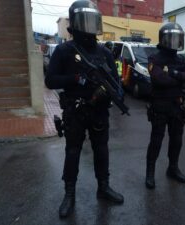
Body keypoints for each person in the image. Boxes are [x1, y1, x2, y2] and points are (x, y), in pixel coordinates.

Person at [45, 0, 124, 218]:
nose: (90, 26)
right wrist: (77, 79)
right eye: (85, 21)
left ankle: (104, 187)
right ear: (76, 23)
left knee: (101, 150)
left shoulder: (105, 52)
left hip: (99, 110)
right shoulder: (63, 50)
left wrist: (111, 92)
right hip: (75, 110)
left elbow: (116, 83)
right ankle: (69, 194)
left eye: (93, 20)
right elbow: (50, 80)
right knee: (72, 152)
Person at [145, 22, 185, 189]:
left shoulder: (181, 59)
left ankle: (173, 168)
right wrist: (180, 78)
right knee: (156, 140)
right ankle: (150, 173)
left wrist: (173, 73)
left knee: (177, 140)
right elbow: (159, 79)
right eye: (171, 38)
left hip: (177, 106)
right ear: (164, 39)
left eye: (177, 38)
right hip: (160, 106)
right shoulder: (155, 58)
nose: (174, 42)